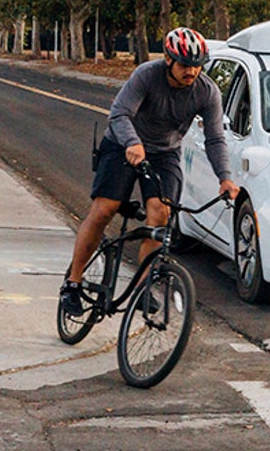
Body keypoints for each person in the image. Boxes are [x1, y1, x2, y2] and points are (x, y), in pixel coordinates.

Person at [60, 27, 239, 315]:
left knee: (160, 215)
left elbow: (215, 138)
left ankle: (143, 288)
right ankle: (73, 283)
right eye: (184, 65)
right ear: (168, 60)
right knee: (105, 209)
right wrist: (132, 142)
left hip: (165, 154)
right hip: (122, 145)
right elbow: (120, 114)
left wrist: (225, 178)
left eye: (197, 65)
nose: (191, 71)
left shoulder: (207, 92)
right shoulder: (146, 75)